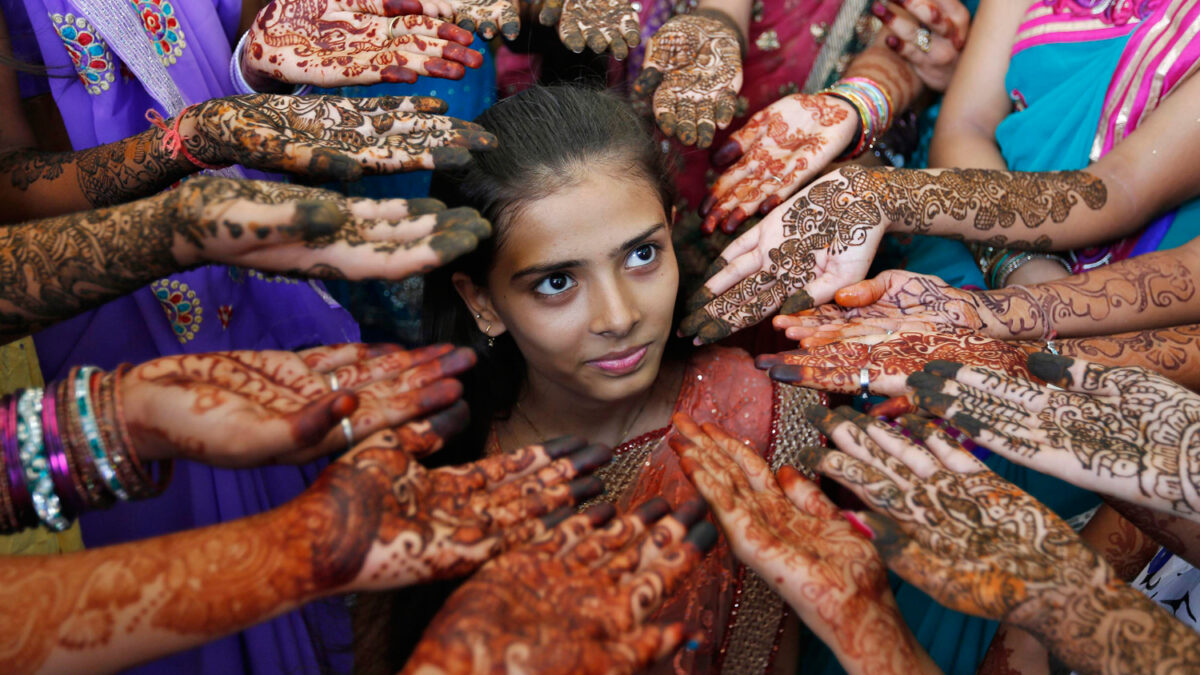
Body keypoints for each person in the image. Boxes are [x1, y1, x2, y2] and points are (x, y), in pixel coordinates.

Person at [405, 84, 825, 673]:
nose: (620, 316)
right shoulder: (445, 483)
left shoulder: (766, 414)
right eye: (557, 283)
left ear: (671, 228)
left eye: (642, 256)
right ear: (481, 301)